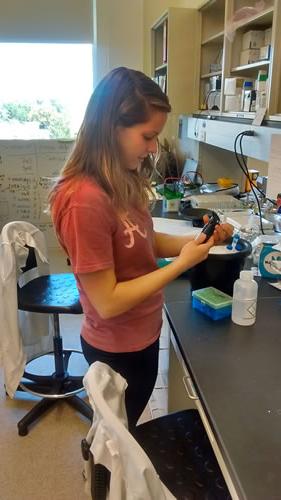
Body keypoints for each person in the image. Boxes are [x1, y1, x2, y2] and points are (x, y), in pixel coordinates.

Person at [49, 67, 233, 432]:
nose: (152, 148)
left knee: (122, 433)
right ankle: (103, 481)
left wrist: (197, 244)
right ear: (111, 128)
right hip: (116, 348)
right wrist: (181, 264)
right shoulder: (84, 200)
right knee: (116, 442)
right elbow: (108, 301)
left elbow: (143, 240)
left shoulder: (123, 178)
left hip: (143, 333)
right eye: (147, 136)